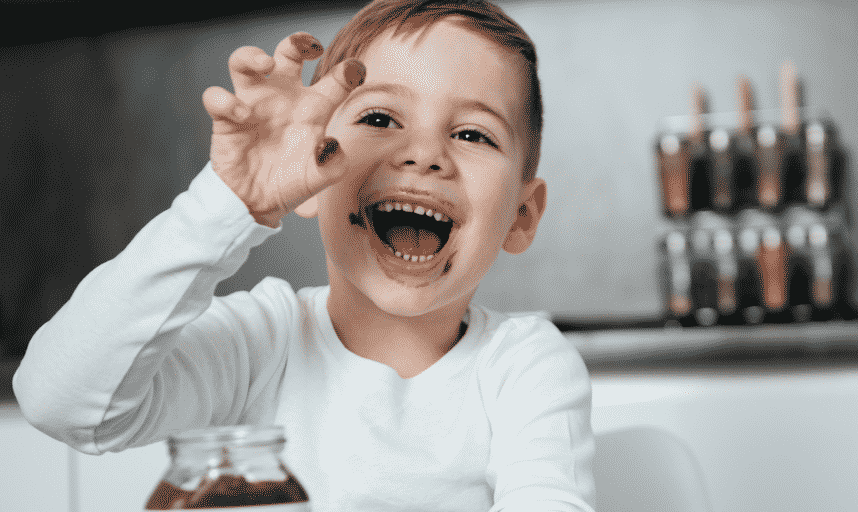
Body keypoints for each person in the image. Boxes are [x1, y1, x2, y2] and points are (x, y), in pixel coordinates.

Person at [12, 1, 596, 510]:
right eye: (379, 118)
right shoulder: (258, 342)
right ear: (314, 171)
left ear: (521, 216)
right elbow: (60, 400)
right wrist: (229, 201)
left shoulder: (524, 367)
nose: (424, 154)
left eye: (472, 134)